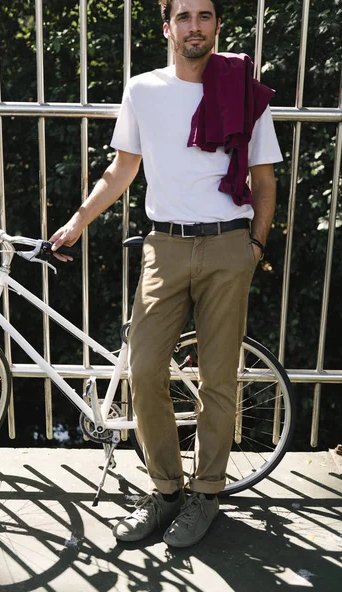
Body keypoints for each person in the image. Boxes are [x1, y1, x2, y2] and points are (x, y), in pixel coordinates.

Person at [50, 0, 282, 548]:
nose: (194, 26)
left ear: (217, 27)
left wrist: (254, 246)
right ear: (167, 27)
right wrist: (78, 221)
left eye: (205, 15)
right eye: (184, 16)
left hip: (229, 245)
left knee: (218, 380)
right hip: (165, 245)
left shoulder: (243, 89)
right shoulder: (143, 90)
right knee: (145, 371)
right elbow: (122, 168)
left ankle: (205, 495)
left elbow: (264, 178)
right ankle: (166, 492)